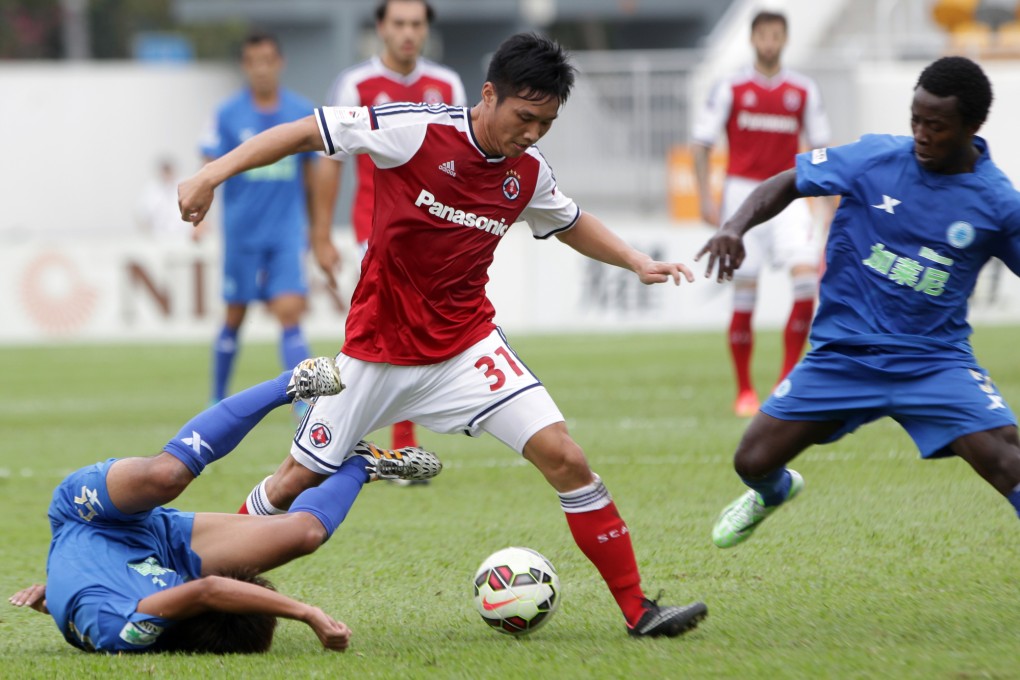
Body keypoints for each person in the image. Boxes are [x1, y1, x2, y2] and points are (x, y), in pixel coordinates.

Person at [179, 33, 708, 638]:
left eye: (547, 122)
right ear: (489, 95)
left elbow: (569, 220)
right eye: (524, 117)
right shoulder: (414, 132)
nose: (533, 133)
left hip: (466, 348)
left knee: (566, 457)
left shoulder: (527, 173)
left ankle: (640, 610)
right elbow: (304, 132)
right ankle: (186, 575)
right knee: (292, 483)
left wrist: (636, 260)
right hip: (375, 354)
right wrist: (211, 174)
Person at [696, 56, 1020, 552]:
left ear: (972, 127)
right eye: (916, 120)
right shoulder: (875, 158)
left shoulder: (997, 203)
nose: (921, 135)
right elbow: (788, 181)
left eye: (936, 126)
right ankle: (775, 493)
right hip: (843, 356)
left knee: (1007, 462)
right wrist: (733, 226)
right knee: (752, 461)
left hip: (933, 362)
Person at [8, 358, 442, 653]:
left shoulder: (126, 632)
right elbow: (200, 588)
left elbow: (207, 590)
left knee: (167, 477)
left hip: (84, 515)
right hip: (159, 550)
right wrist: (62, 588)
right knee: (304, 535)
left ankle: (291, 382)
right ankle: (364, 464)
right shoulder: (163, 608)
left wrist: (307, 614)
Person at [314, 0, 467, 460]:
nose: (407, 33)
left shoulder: (446, 84)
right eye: (399, 23)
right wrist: (321, 235)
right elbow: (330, 160)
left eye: (416, 24)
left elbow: (463, 159)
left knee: (408, 327)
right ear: (381, 27)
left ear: (426, 30)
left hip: (433, 232)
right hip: (374, 226)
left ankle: (339, 426)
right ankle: (379, 439)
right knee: (384, 324)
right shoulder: (356, 84)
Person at [691, 10, 831, 418]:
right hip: (741, 196)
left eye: (776, 35)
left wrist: (827, 204)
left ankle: (785, 380)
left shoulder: (802, 89)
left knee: (807, 282)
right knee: (744, 293)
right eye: (763, 35)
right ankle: (745, 391)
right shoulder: (732, 86)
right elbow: (701, 142)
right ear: (753, 39)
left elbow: (821, 149)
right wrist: (704, 196)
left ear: (784, 40)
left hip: (789, 194)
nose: (770, 42)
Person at [199, 31, 318, 406]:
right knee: (234, 314)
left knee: (290, 312)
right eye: (254, 61)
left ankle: (304, 406)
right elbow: (209, 166)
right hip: (242, 233)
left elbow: (315, 175)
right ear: (245, 66)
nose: (262, 69)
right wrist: (200, 213)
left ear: (279, 63)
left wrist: (318, 228)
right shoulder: (227, 114)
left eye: (269, 60)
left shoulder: (301, 110)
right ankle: (216, 400)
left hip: (285, 232)